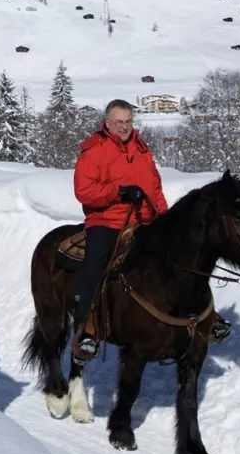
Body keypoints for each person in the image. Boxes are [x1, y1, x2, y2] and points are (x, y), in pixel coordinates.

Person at [70, 99, 169, 364]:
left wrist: (164, 218)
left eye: (128, 122)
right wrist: (118, 192)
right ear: (108, 122)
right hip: (107, 221)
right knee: (96, 264)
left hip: (143, 221)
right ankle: (86, 328)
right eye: (119, 123)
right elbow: (84, 191)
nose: (124, 127)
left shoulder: (141, 149)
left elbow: (155, 188)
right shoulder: (94, 150)